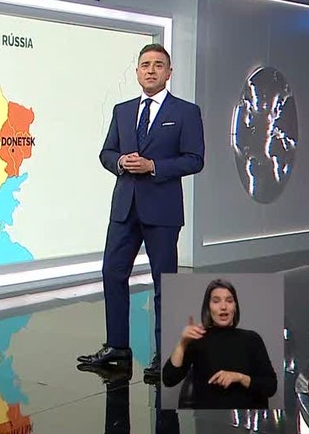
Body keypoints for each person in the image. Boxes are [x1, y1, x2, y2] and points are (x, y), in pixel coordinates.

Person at [77, 43, 205, 382]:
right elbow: (106, 153)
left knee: (165, 283)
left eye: (158, 65)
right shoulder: (122, 111)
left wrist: (153, 166)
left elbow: (195, 159)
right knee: (112, 273)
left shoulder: (186, 112)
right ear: (137, 72)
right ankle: (117, 348)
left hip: (162, 210)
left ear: (169, 72)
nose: (151, 70)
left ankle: (168, 355)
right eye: (145, 64)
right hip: (125, 208)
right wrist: (120, 161)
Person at [161, 279, 278, 409]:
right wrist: (182, 344)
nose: (223, 307)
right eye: (216, 301)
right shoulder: (198, 339)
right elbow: (169, 379)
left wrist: (239, 377)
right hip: (210, 418)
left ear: (235, 306)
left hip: (248, 418)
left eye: (229, 301)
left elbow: (271, 386)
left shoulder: (252, 339)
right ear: (208, 307)